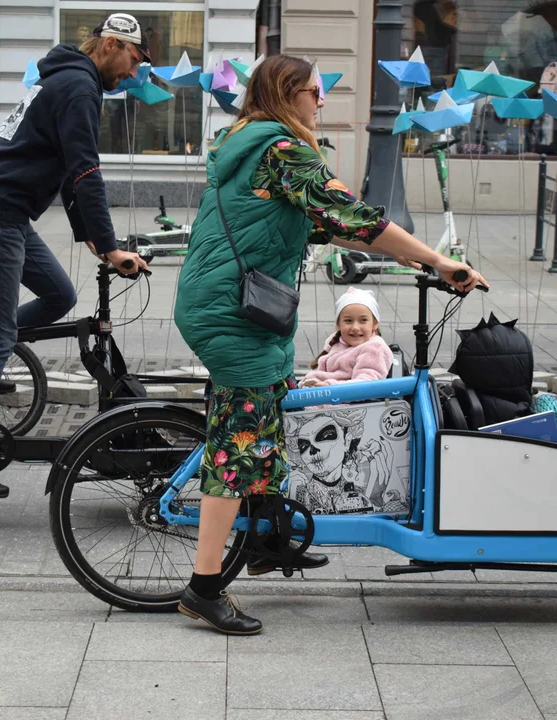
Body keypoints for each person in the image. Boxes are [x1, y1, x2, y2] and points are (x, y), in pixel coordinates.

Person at [173, 54, 486, 635]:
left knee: (267, 415)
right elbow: (356, 214)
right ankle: (204, 587)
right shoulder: (281, 151)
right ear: (289, 92)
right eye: (316, 91)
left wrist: (380, 250)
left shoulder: (253, 145)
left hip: (230, 302)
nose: (322, 101)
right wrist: (438, 260)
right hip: (229, 311)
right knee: (238, 447)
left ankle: (266, 540)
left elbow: (326, 223)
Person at [0, 13, 149, 499]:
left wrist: (91, 237)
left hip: (6, 212)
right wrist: (111, 245)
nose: (134, 72)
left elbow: (67, 169)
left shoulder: (70, 78)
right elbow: (85, 171)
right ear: (111, 45)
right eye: (133, 59)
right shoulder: (79, 87)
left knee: (59, 294)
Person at [300, 287, 393, 387]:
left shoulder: (374, 348)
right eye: (348, 321)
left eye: (363, 320)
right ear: (339, 324)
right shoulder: (336, 340)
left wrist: (328, 386)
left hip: (341, 398)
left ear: (375, 323)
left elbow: (366, 384)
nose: (355, 327)